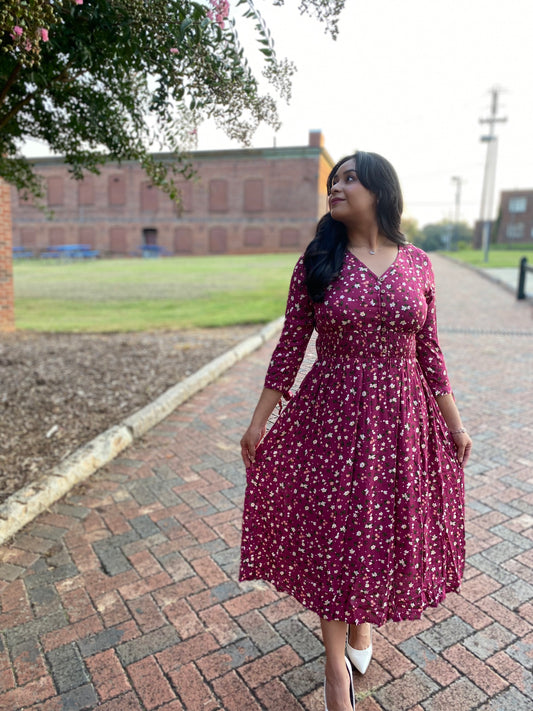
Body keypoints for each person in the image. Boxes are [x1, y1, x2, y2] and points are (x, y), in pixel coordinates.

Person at [239, 151, 471, 711]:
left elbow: (429, 350)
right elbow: (291, 347)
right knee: (336, 532)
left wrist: (454, 425)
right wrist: (257, 422)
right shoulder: (317, 261)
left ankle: (362, 625)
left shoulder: (417, 263)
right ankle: (333, 667)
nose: (335, 188)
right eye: (332, 180)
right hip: (331, 418)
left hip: (403, 421)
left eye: (348, 179)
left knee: (379, 526)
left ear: (380, 190)